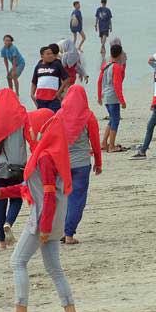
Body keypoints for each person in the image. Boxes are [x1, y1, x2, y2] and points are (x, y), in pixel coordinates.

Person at [0, 114, 79, 312]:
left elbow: (47, 194)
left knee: (17, 262)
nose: (29, 131)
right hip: (54, 217)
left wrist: (45, 227)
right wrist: (2, 192)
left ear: (41, 129)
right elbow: (30, 188)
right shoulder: (53, 152)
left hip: (43, 218)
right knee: (54, 268)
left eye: (32, 127)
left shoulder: (45, 157)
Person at [0, 90, 30, 250]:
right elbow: (30, 137)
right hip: (17, 165)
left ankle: (1, 242)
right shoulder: (21, 112)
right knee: (16, 198)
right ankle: (8, 222)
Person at [55, 86, 102, 244]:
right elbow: (95, 142)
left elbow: (52, 138)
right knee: (77, 199)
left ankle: (61, 231)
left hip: (62, 164)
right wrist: (98, 162)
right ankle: (69, 234)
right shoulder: (88, 116)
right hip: (82, 163)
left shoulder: (60, 115)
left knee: (63, 198)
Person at [98, 44, 126, 153]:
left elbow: (99, 81)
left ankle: (104, 143)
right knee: (115, 120)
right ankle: (111, 146)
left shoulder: (105, 65)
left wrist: (99, 95)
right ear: (120, 55)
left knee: (112, 118)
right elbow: (117, 85)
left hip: (105, 95)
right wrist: (122, 101)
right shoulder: (116, 67)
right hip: (112, 96)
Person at [31, 45, 68, 112]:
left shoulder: (57, 64)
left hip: (53, 98)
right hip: (40, 98)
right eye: (48, 54)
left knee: (54, 117)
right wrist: (32, 94)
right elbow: (34, 82)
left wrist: (59, 92)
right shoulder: (38, 66)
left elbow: (66, 79)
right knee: (42, 118)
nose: (51, 55)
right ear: (42, 56)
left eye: (51, 53)